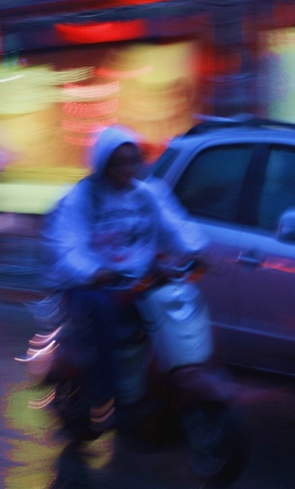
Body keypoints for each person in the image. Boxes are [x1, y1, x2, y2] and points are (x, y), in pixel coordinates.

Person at [40, 124, 208, 487]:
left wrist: (196, 250)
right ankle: (103, 396)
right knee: (102, 313)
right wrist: (93, 271)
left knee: (173, 310)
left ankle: (158, 393)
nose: (127, 169)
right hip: (92, 286)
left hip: (139, 282)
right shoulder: (83, 198)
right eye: (119, 162)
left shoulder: (148, 194)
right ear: (103, 164)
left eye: (133, 161)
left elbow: (176, 224)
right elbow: (67, 245)